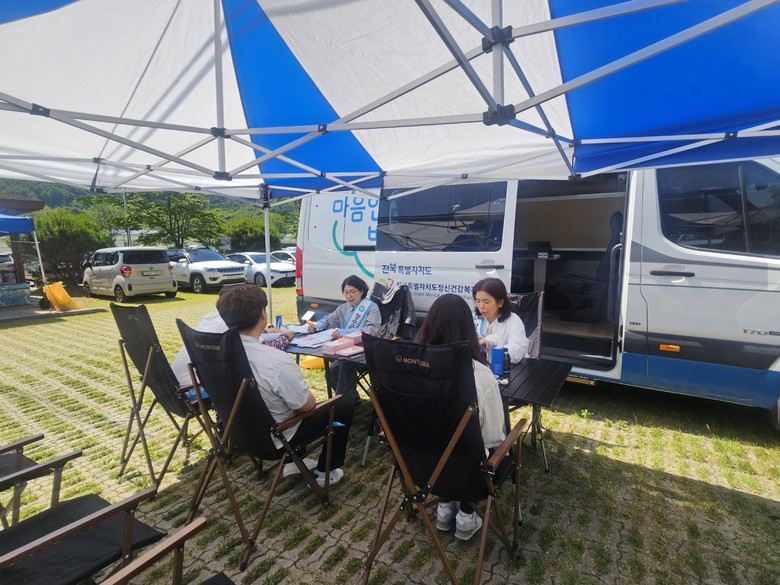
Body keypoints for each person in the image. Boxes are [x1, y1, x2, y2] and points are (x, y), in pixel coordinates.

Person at [215, 284, 352, 486]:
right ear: (263, 315)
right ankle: (325, 472)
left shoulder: (215, 356)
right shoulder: (275, 360)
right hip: (276, 439)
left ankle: (292, 464)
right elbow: (306, 406)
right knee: (342, 405)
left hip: (238, 435)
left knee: (284, 401)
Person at [415, 293, 506, 541]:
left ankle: (445, 507)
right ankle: (466, 514)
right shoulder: (479, 374)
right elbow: (493, 437)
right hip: (468, 474)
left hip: (420, 467)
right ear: (468, 330)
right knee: (490, 441)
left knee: (444, 439)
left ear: (428, 325)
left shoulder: (409, 369)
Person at [307, 275, 381, 401]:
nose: (348, 296)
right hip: (345, 350)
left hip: (365, 352)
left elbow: (371, 331)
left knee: (345, 366)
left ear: (362, 291)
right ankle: (352, 398)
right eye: (345, 292)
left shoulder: (372, 308)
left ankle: (343, 407)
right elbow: (329, 319)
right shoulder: (343, 308)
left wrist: (344, 332)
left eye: (352, 292)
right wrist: (317, 326)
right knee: (331, 373)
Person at [472, 277, 528, 365]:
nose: (481, 306)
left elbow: (517, 351)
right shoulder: (475, 318)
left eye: (486, 302)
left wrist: (489, 341)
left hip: (510, 367)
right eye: (478, 301)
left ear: (500, 302)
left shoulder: (513, 320)